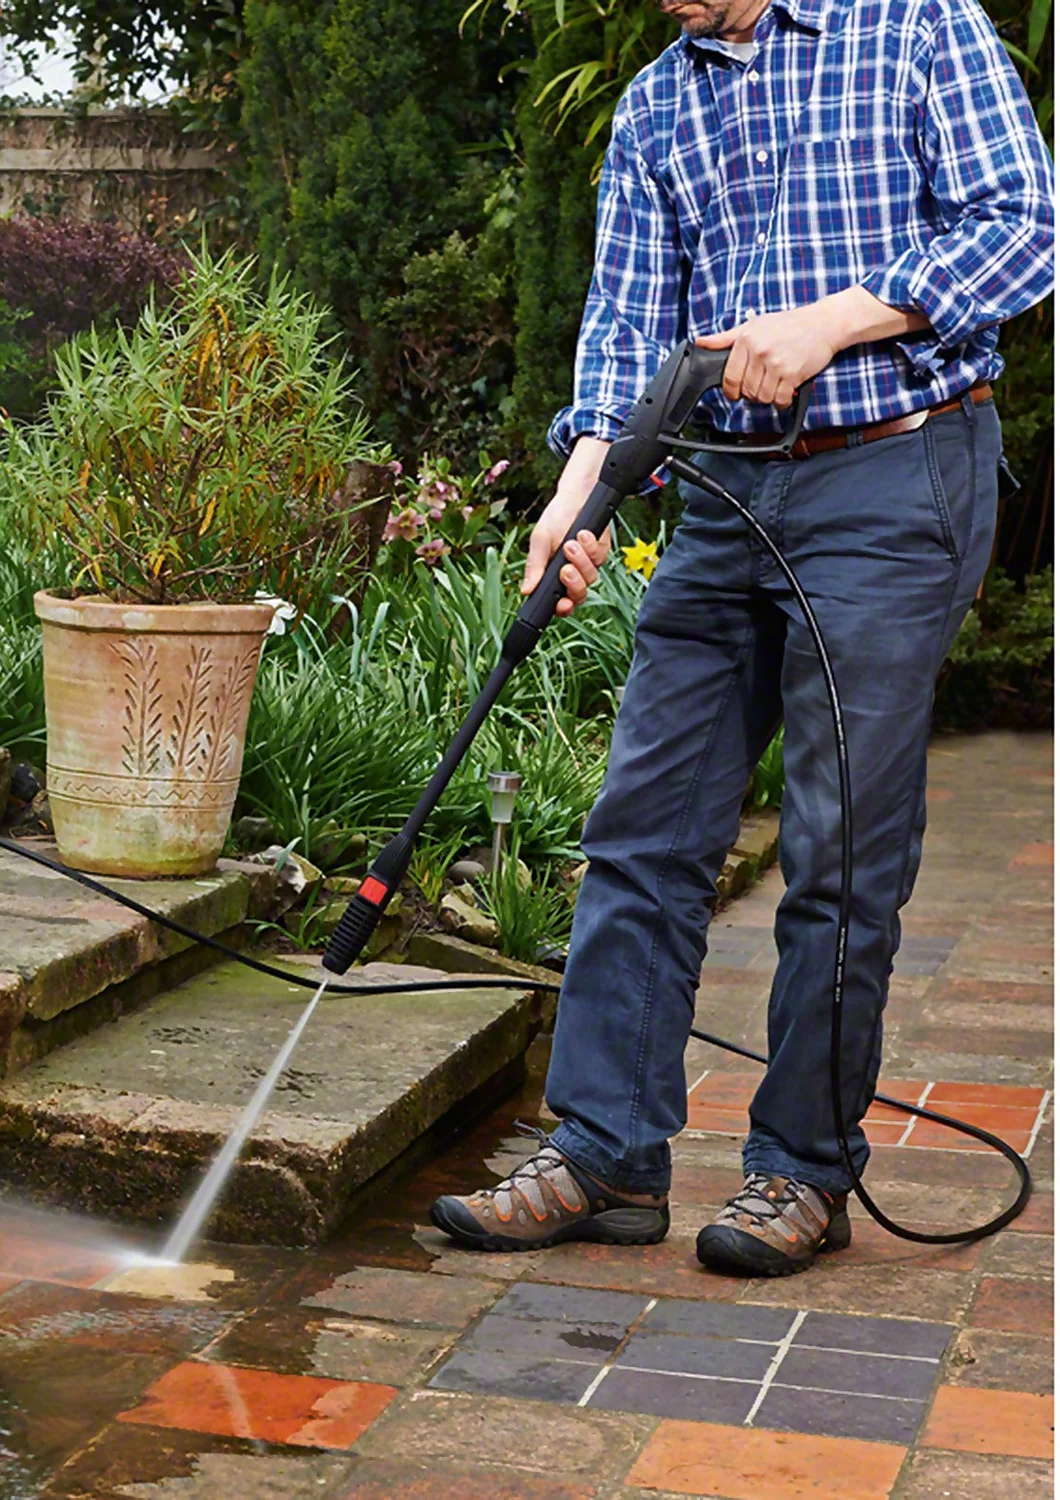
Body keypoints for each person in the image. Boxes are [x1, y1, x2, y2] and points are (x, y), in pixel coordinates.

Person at [430, 0, 1054, 1275]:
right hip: (724, 492)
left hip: (895, 475)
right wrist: (579, 498)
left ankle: (803, 1168)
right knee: (644, 825)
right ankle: (605, 1153)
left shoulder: (917, 24)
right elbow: (626, 335)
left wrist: (838, 318)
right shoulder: (657, 100)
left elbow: (1024, 226)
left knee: (839, 847)